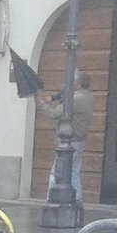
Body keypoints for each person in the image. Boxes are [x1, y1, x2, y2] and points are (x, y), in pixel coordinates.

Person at [38, 71, 94, 201]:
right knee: (74, 171)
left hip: (70, 140)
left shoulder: (75, 99)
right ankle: (78, 198)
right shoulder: (88, 96)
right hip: (80, 139)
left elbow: (53, 113)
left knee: (56, 172)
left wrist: (38, 100)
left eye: (71, 82)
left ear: (78, 84)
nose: (69, 85)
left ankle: (51, 198)